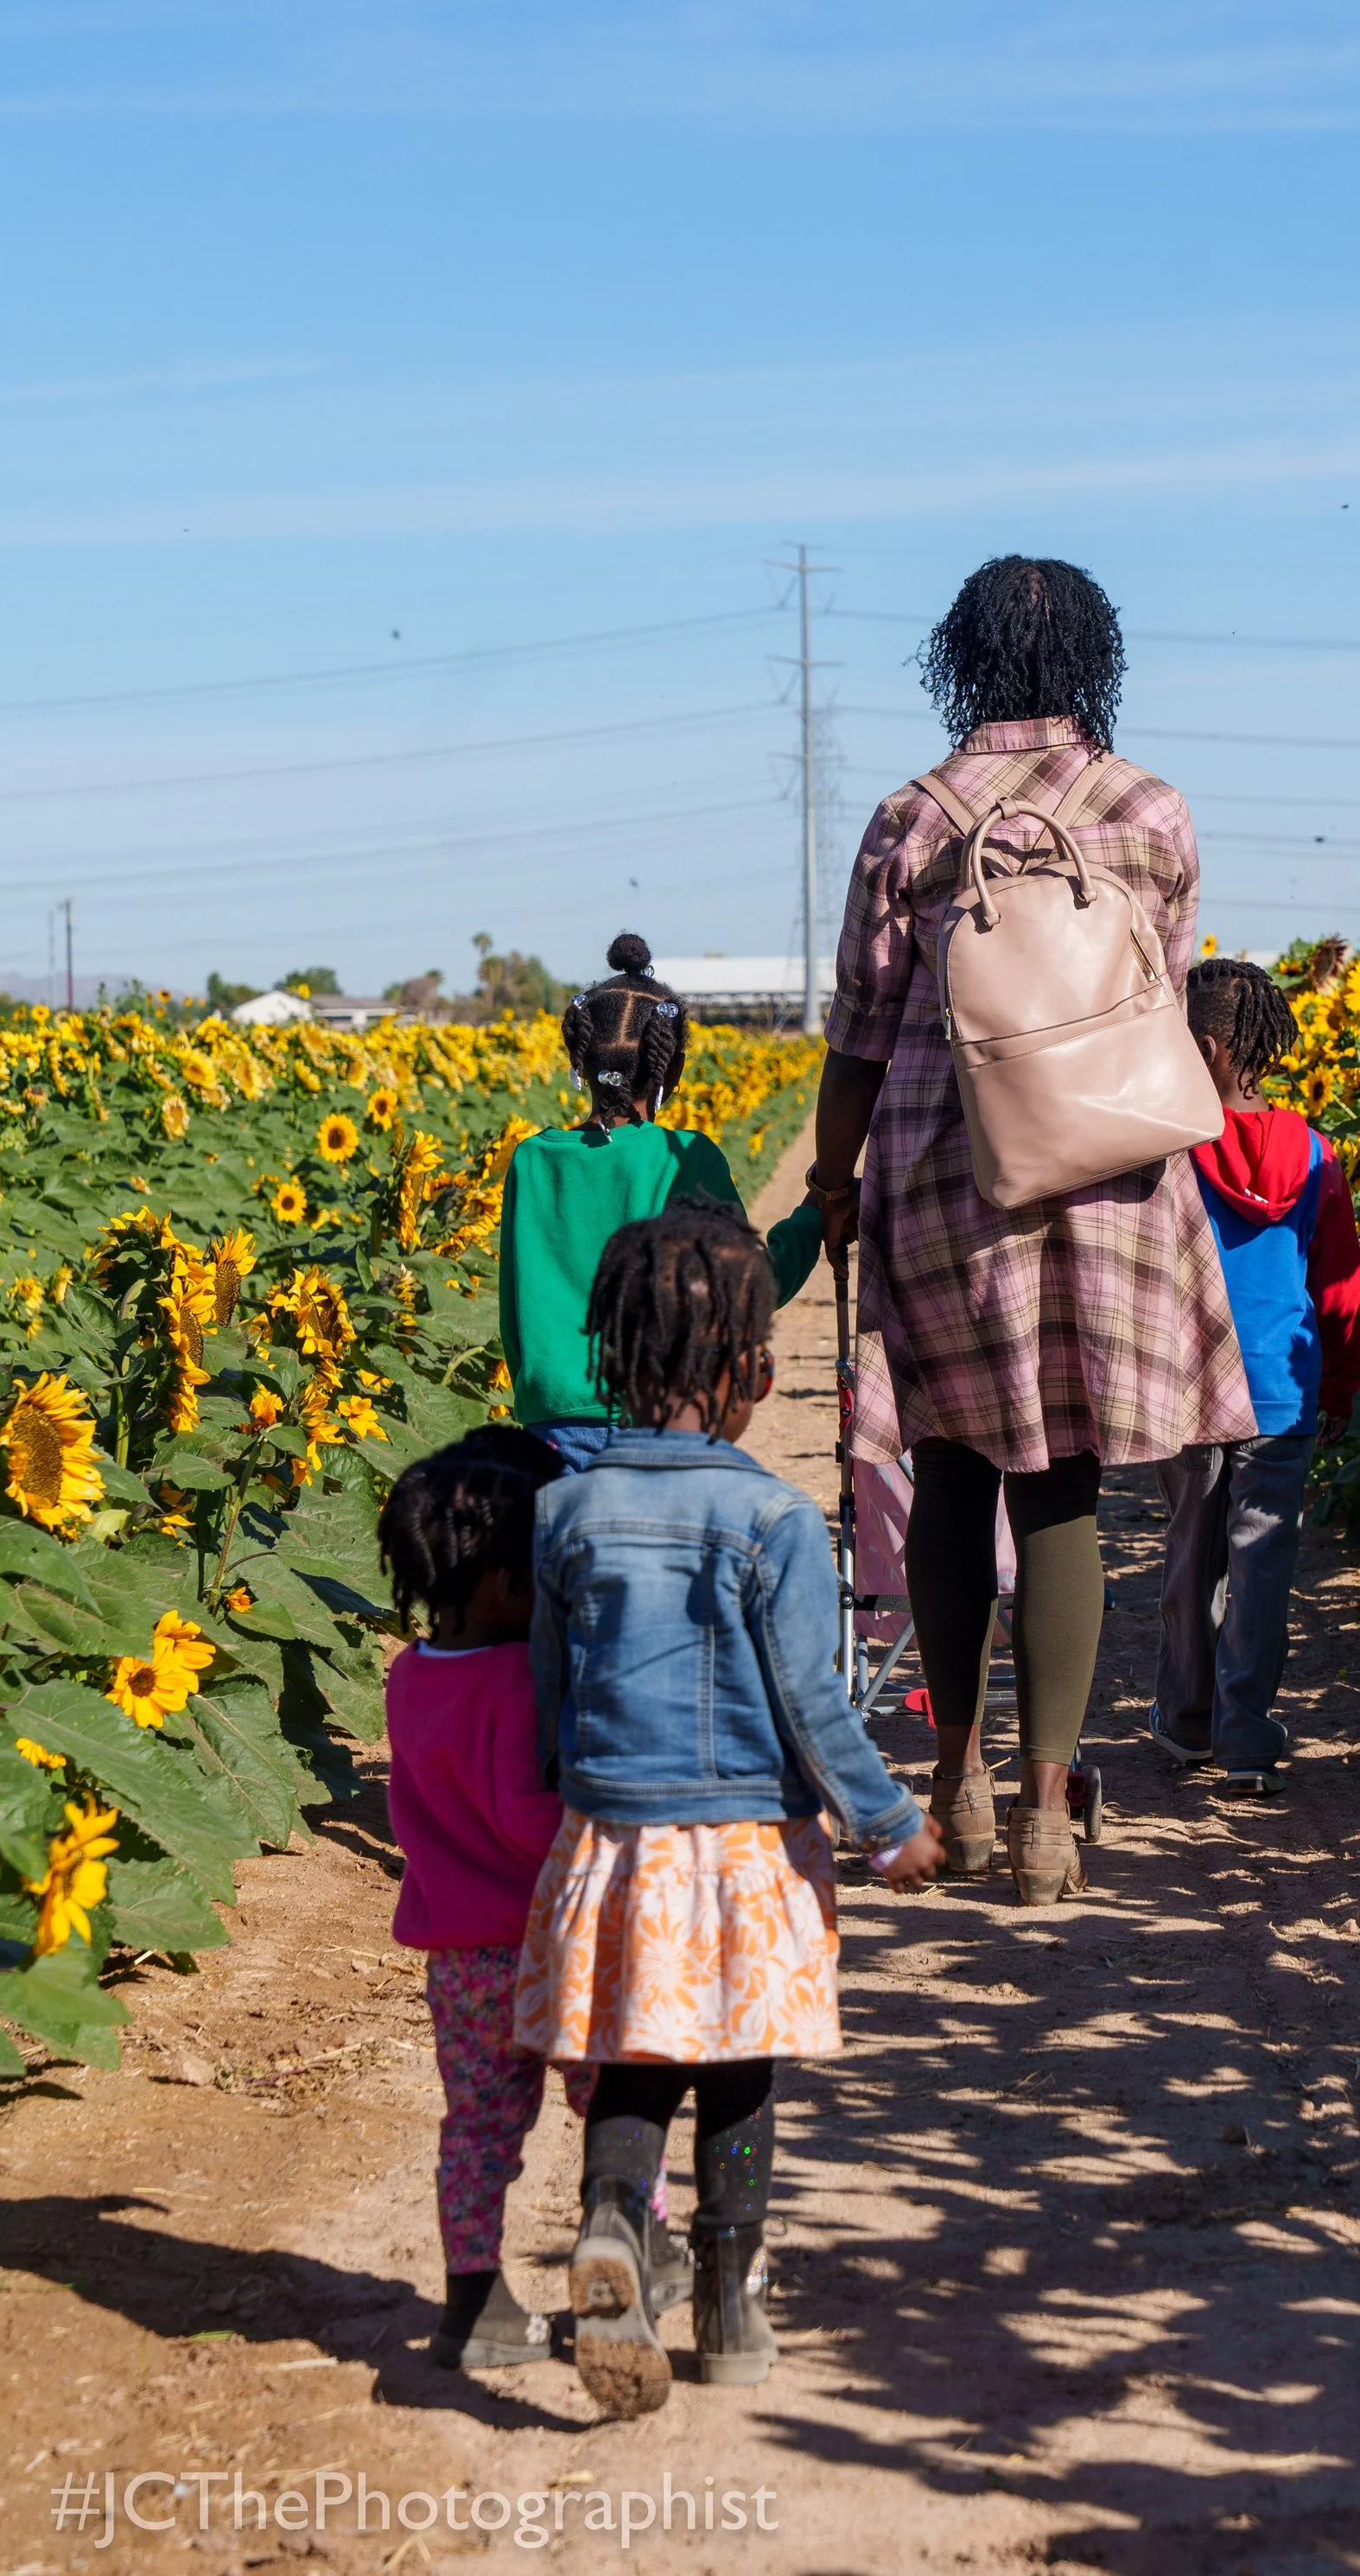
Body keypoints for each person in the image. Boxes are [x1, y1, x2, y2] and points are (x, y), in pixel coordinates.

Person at [810, 555, 1254, 1904]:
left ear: (965, 657)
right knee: (1063, 1481)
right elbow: (1163, 995)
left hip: (951, 1169)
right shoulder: (1153, 810)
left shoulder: (912, 816)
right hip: (1107, 1170)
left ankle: (951, 1782)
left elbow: (862, 1030)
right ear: (1094, 659)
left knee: (950, 1471)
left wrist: (836, 1184)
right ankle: (1051, 1812)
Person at [513, 1200, 944, 2419]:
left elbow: (553, 1686)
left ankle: (609, 2223)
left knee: (638, 2055)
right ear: (754, 1372)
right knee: (742, 2069)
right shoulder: (773, 1518)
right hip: (745, 1837)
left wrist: (565, 1800)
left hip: (614, 1830)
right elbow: (813, 1696)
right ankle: (729, 2300)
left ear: (618, 1358)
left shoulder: (565, 1510)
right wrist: (888, 1818)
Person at [378, 1426, 650, 2373]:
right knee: (618, 2099)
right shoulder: (514, 1680)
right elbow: (530, 1818)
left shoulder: (408, 1675)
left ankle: (472, 2302)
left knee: (478, 2129)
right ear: (504, 1583)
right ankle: (627, 2253)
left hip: (459, 1960)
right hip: (551, 1942)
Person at [1152, 959, 1360, 1790]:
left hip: (1189, 1386)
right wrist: (1341, 1384)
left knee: (1189, 1557)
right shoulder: (1316, 1154)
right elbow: (1342, 1283)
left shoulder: (1171, 1152)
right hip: (1283, 1391)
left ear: (1204, 1048)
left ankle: (1187, 1719)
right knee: (1263, 1569)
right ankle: (1247, 1739)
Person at [499, 932, 825, 1470]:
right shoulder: (685, 1157)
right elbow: (745, 1290)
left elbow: (513, 1304)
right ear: (669, 1069)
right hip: (656, 1415)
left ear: (579, 1056)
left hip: (548, 1424)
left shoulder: (531, 1161)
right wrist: (812, 1217)